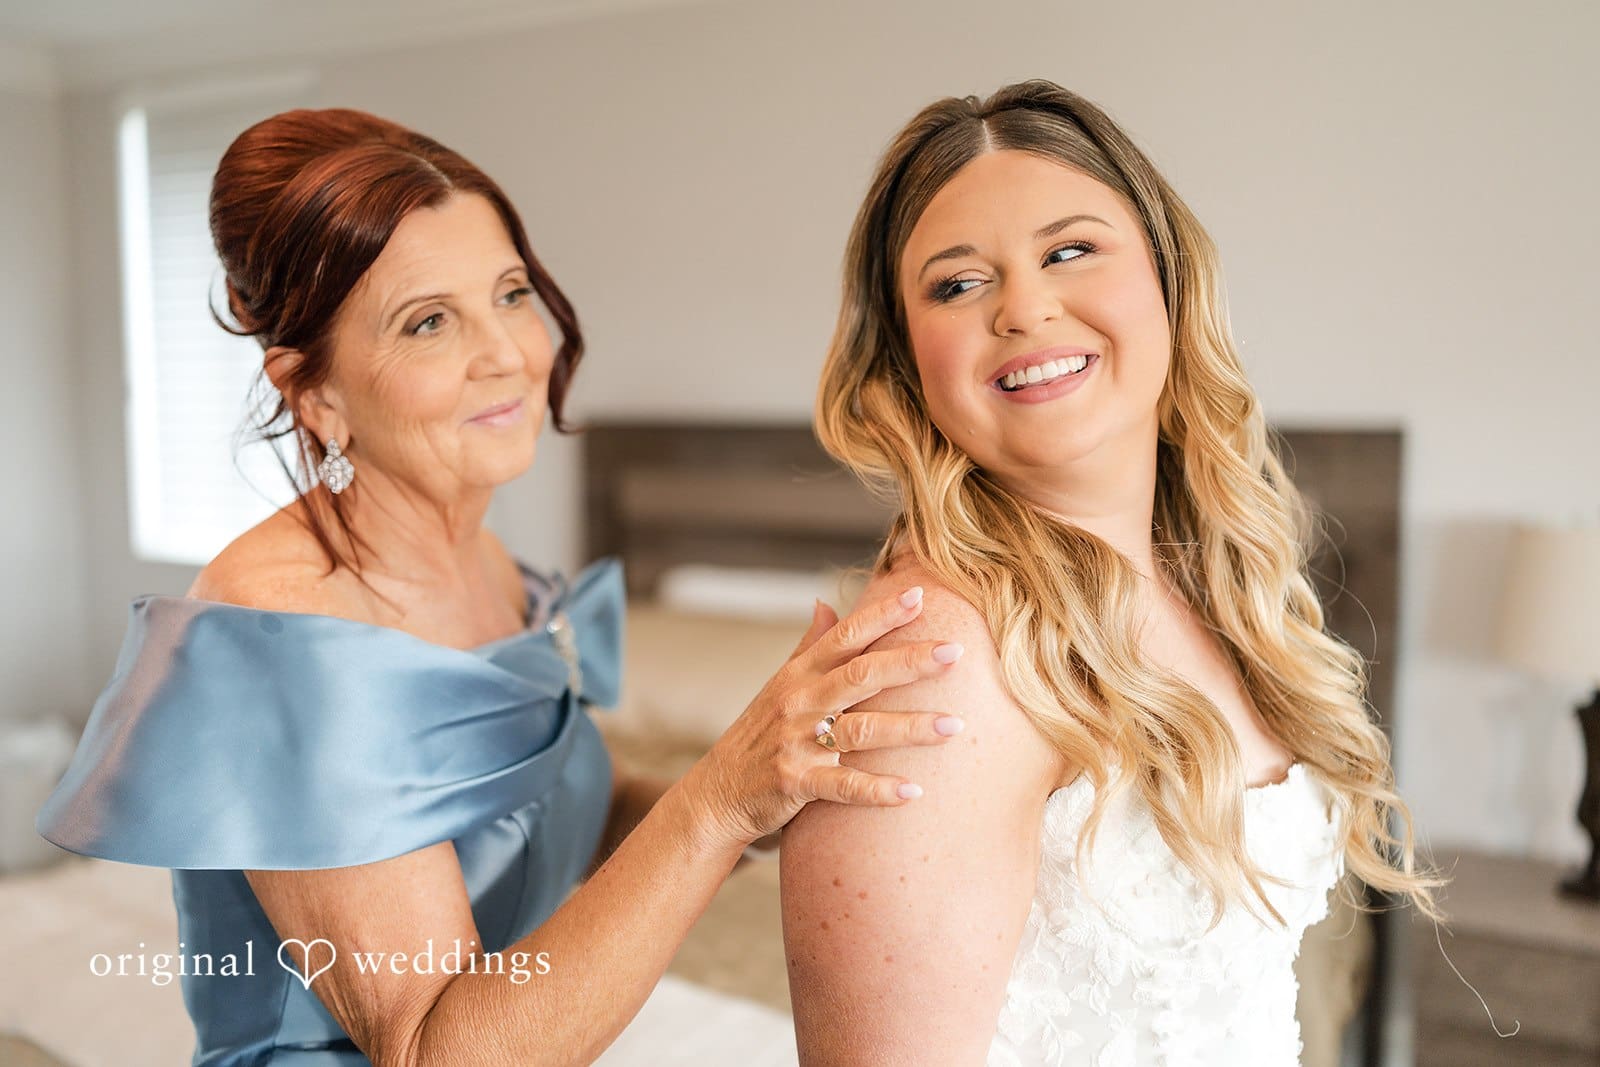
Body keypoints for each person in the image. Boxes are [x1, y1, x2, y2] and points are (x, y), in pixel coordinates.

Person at [35, 108, 971, 1066]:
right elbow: (436, 1048)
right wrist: (722, 796)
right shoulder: (278, 634)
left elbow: (558, 809)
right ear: (313, 393)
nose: (511, 353)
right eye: (429, 320)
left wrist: (790, 786)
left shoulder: (502, 575)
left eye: (512, 292)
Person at [781, 79, 1447, 1065]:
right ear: (907, 356)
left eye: (1068, 250)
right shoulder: (937, 662)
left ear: (1167, 277)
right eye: (957, 283)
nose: (1025, 307)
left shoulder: (1213, 585)